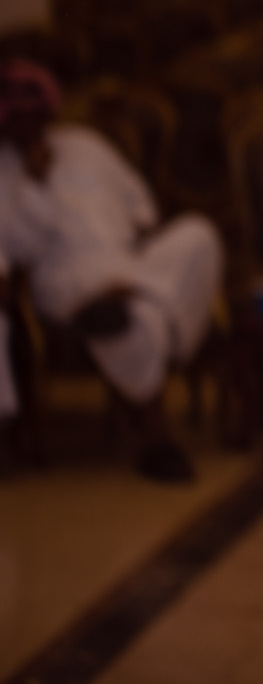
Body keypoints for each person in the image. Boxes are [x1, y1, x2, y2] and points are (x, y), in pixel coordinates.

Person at [0, 58, 223, 480]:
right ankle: (157, 441)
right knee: (137, 318)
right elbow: (15, 249)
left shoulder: (85, 145)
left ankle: (136, 294)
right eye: (18, 118)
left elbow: (143, 208)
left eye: (35, 115)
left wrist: (142, 247)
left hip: (130, 264)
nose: (28, 125)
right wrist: (33, 184)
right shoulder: (4, 172)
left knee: (199, 234)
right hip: (67, 281)